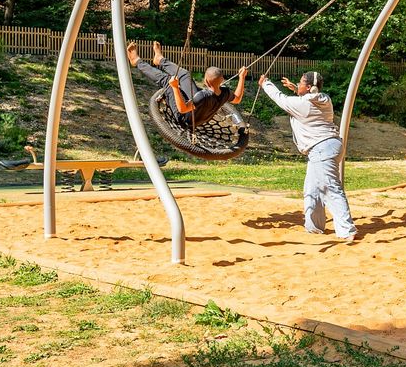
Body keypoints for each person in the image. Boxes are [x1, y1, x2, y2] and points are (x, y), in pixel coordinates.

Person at [258, 70, 358, 242]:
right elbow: (307, 97)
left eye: (301, 82)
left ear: (309, 87)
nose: (298, 83)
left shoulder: (302, 105)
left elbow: (280, 98)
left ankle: (347, 230)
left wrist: (265, 83)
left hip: (322, 149)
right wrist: (296, 88)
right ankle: (314, 227)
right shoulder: (324, 98)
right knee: (312, 190)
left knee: (331, 188)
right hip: (328, 147)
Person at [127, 41, 247, 127]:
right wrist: (242, 78)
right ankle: (160, 60)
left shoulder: (203, 96)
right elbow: (237, 99)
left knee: (166, 81)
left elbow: (182, 109)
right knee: (185, 75)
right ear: (221, 80)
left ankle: (137, 62)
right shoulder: (225, 92)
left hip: (185, 119)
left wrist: (174, 87)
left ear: (206, 81)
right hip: (197, 111)